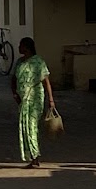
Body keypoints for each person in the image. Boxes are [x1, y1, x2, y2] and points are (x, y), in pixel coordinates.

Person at [12, 36, 56, 169]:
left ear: (27, 47)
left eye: (21, 45)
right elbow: (13, 79)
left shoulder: (38, 62)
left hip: (35, 100)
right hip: (22, 101)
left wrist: (51, 100)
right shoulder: (19, 62)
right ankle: (31, 156)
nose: (19, 48)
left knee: (31, 126)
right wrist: (15, 93)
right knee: (24, 127)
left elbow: (46, 81)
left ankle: (35, 156)